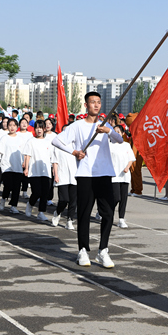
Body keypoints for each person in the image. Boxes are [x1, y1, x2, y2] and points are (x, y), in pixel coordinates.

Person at [51, 91, 124, 268]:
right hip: (85, 174)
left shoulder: (104, 125)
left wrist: (108, 130)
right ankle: (83, 250)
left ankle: (103, 250)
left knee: (108, 213)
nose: (96, 105)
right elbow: (57, 141)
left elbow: (120, 139)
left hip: (104, 174)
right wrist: (74, 152)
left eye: (98, 102)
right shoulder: (77, 126)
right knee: (84, 213)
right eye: (92, 102)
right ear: (86, 105)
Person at [22, 120, 53, 221]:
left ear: (44, 129)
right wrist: (26, 168)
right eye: (37, 128)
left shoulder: (48, 142)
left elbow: (52, 157)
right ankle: (30, 204)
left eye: (41, 128)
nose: (39, 130)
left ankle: (41, 212)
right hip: (34, 171)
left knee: (45, 193)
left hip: (46, 171)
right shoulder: (31, 141)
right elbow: (27, 155)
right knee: (36, 192)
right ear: (34, 129)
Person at [110, 125, 136, 227]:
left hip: (125, 176)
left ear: (122, 133)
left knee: (123, 198)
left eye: (118, 132)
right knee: (116, 197)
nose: (116, 134)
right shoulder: (109, 145)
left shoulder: (126, 145)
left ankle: (121, 219)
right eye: (114, 132)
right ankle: (108, 212)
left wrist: (127, 167)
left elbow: (131, 158)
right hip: (114, 175)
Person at [51, 135, 78, 230]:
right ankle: (57, 212)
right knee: (64, 199)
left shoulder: (76, 145)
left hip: (74, 176)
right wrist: (56, 175)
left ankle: (70, 220)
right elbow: (55, 162)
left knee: (73, 201)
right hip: (62, 175)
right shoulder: (58, 146)